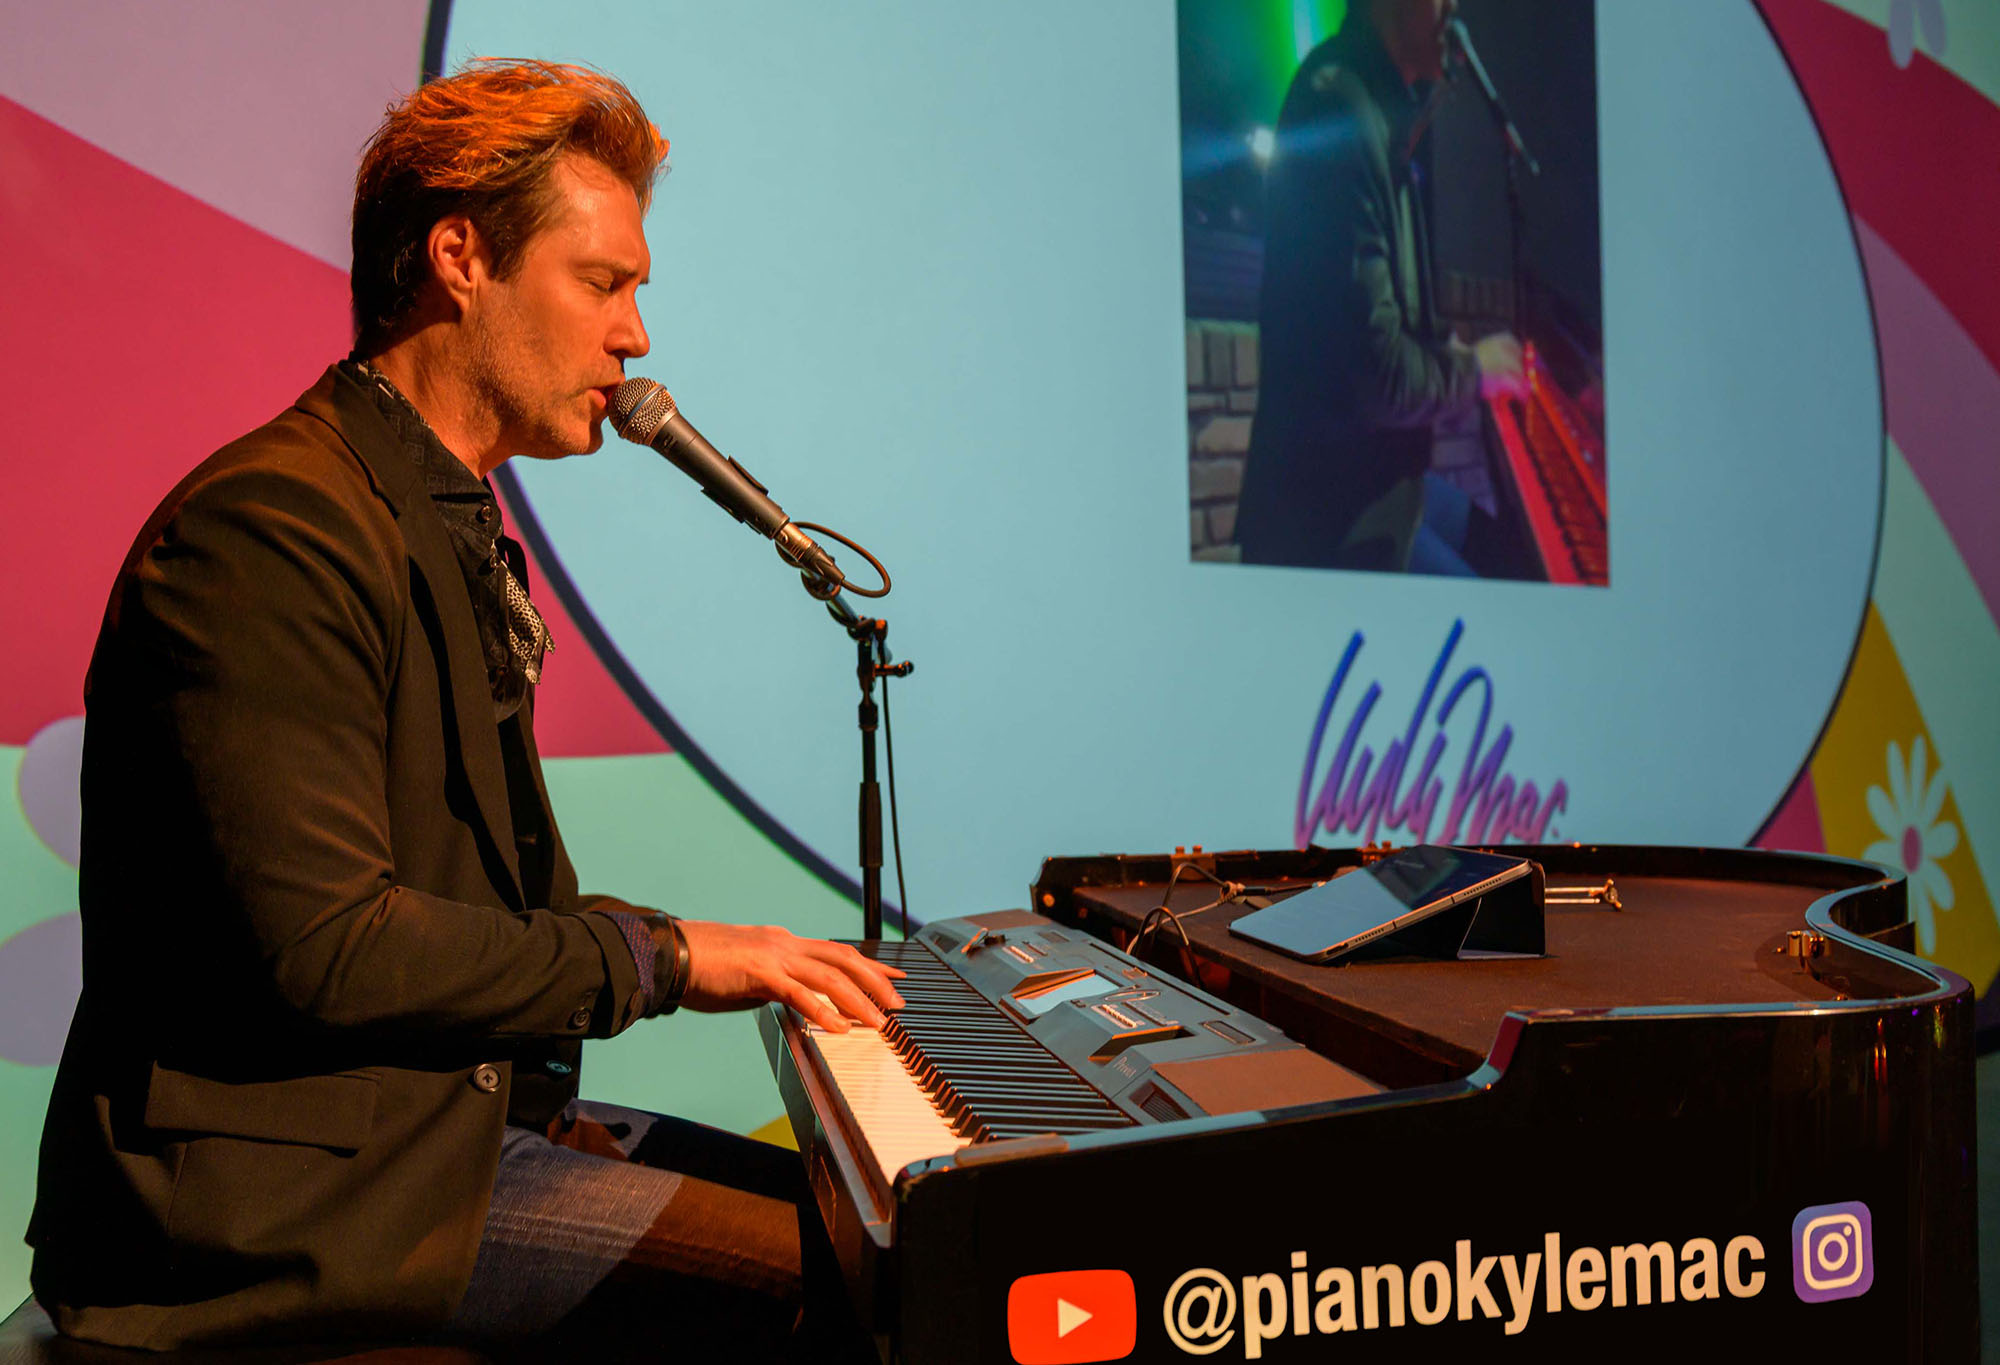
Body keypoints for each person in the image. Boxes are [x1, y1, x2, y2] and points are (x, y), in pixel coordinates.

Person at [26, 60, 895, 1361]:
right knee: (857, 1301)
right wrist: (668, 957)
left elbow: (468, 915)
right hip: (275, 1218)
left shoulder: (439, 519)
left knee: (874, 1225)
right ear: (460, 258)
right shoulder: (274, 532)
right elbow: (333, 949)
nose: (638, 335)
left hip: (445, 1141)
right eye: (604, 283)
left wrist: (671, 973)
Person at [1234, 0, 1525, 574]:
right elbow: (1379, 376)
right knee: (1504, 621)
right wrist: (1477, 372)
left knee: (1513, 554)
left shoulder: (1379, 115)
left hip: (1381, 487)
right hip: (1329, 518)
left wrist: (1459, 357)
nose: (1454, 9)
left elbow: (1393, 332)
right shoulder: (1338, 106)